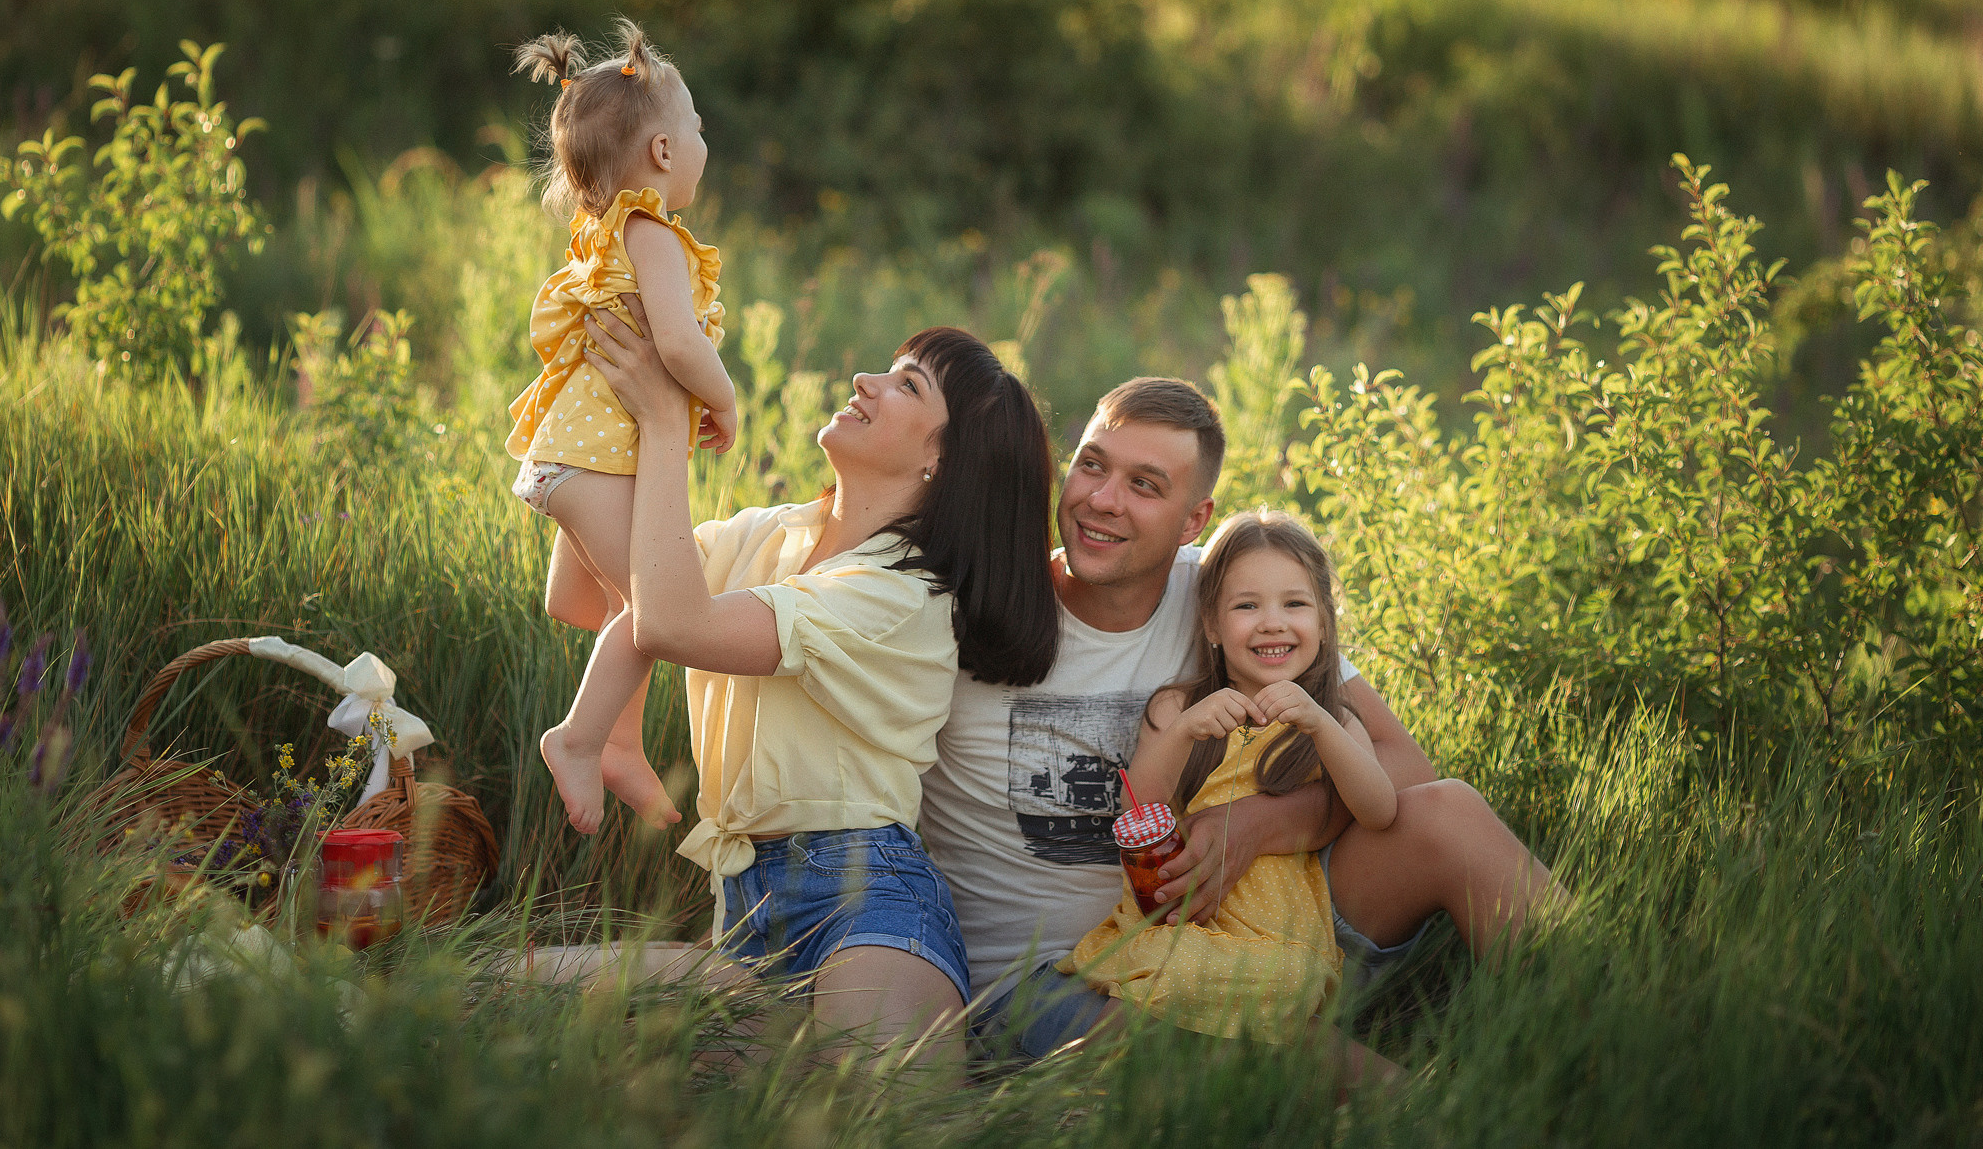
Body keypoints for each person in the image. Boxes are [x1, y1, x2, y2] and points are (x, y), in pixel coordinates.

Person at [917, 377, 1564, 1059]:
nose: (1101, 500)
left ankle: (1614, 1024)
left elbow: (1403, 764)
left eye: (1145, 484)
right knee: (1295, 1068)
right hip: (1057, 979)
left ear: (1194, 519)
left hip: (1263, 924)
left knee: (1450, 813)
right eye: (1093, 464)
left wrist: (1263, 822)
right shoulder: (975, 612)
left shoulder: (1232, 597)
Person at [553, 311, 1060, 1064]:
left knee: (873, 1103)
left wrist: (665, 428)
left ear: (940, 461)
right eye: (886, 367)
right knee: (504, 990)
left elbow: (668, 623)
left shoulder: (903, 594)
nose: (866, 381)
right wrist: (611, 415)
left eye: (905, 384)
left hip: (867, 896)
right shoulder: (771, 533)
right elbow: (589, 597)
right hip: (743, 907)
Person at [504, 19, 737, 834]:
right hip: (589, 465)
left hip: (571, 459)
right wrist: (727, 397)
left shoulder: (603, 235)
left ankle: (621, 744)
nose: (706, 138)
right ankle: (577, 736)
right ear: (666, 154)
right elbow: (677, 341)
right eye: (699, 126)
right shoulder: (656, 236)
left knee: (609, 607)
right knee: (656, 612)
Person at [1061, 510, 1395, 1078]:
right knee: (1177, 976)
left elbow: (1380, 809)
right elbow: (1135, 811)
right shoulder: (1178, 707)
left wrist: (1321, 725)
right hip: (1186, 919)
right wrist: (1187, 730)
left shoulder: (1334, 719)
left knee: (1285, 982)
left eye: (1295, 604)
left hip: (1276, 929)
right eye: (1247, 606)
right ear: (1212, 626)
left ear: (1322, 621)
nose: (1272, 623)